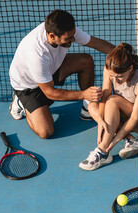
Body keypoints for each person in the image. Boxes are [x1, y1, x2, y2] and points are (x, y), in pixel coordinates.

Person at [9, 9, 114, 139]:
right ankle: (20, 103)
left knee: (85, 61)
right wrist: (83, 94)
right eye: (68, 39)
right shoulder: (37, 55)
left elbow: (94, 42)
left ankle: (87, 109)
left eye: (73, 35)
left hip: (51, 69)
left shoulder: (66, 29)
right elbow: (50, 92)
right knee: (46, 132)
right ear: (52, 36)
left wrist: (123, 55)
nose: (72, 40)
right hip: (28, 87)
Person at [79, 43, 138, 171]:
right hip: (124, 110)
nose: (116, 81)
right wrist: (101, 122)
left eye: (120, 77)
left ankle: (103, 152)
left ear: (130, 68)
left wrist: (112, 143)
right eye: (112, 77)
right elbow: (105, 96)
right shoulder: (109, 69)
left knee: (113, 101)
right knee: (92, 105)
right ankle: (130, 139)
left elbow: (134, 117)